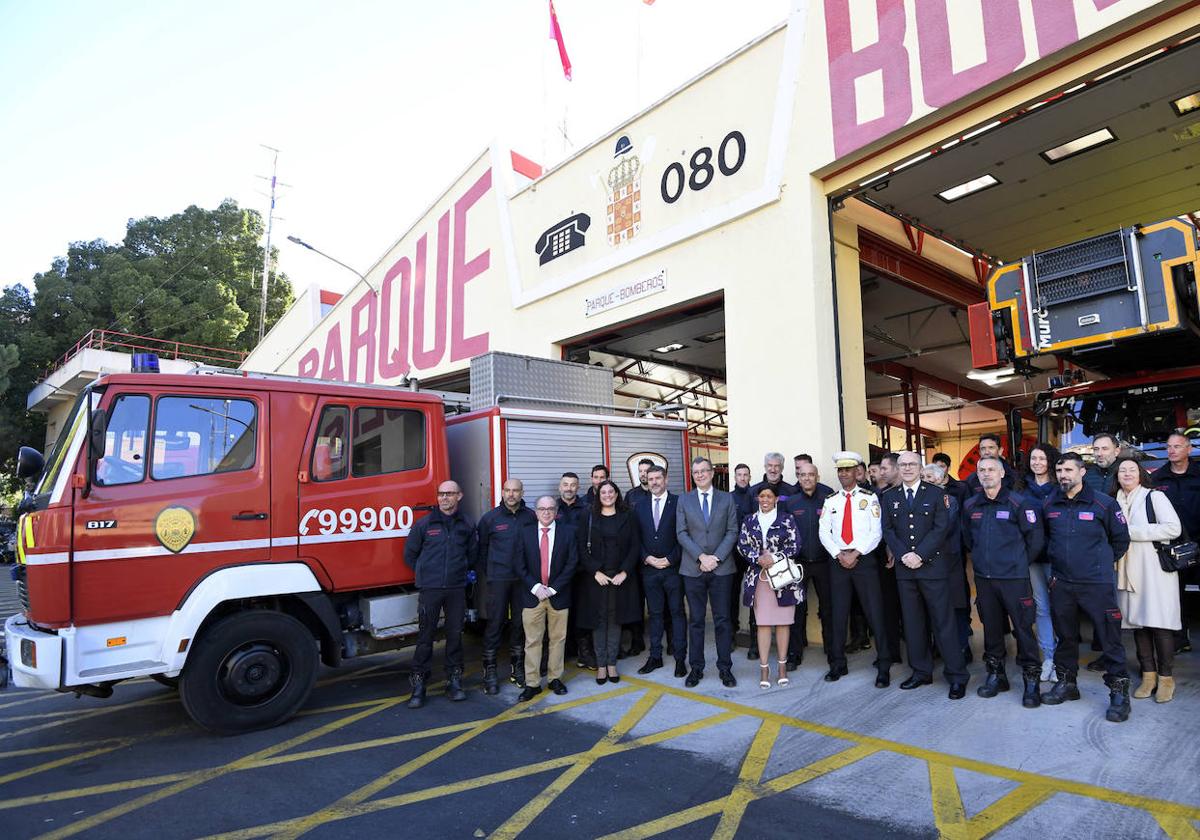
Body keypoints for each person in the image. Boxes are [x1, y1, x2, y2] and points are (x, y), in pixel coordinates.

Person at [1041, 452, 1133, 722]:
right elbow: (1046, 539)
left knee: (1110, 638)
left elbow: (1121, 540)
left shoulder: (1104, 504)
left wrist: (1099, 564)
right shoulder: (1050, 504)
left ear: (1082, 472)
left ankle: (1119, 694)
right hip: (1062, 583)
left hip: (1097, 583)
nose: (1063, 475)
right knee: (1065, 637)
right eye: (1059, 471)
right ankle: (1068, 684)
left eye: (1069, 470)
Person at [882, 452, 969, 698]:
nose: (907, 468)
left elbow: (941, 529)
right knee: (913, 623)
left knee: (944, 623)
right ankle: (921, 672)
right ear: (898, 469)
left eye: (912, 464)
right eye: (903, 465)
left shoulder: (937, 494)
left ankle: (957, 676)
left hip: (932, 568)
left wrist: (919, 554)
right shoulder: (889, 497)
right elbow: (887, 530)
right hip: (905, 571)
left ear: (920, 468)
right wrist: (903, 555)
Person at [961, 457, 1045, 707]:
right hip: (985, 580)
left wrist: (1017, 563)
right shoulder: (970, 505)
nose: (986, 474)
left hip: (1014, 579)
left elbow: (1036, 540)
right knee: (992, 630)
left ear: (1001, 474)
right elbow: (968, 539)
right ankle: (996, 675)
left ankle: (1032, 681)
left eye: (991, 470)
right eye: (982, 470)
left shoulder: (1019, 503)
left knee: (1023, 629)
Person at [818, 451, 893, 687]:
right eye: (840, 470)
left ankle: (883, 666)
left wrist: (856, 553)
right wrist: (839, 554)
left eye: (848, 470)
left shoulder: (869, 498)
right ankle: (838, 664)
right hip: (838, 561)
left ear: (856, 472)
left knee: (875, 614)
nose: (843, 474)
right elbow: (824, 532)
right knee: (838, 615)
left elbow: (876, 531)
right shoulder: (831, 500)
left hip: (864, 560)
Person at [1113, 457, 1183, 703]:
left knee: (1159, 624)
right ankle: (1148, 675)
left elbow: (1173, 528)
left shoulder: (1155, 497)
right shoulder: (1114, 502)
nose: (1127, 474)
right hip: (1127, 571)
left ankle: (1166, 679)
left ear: (1141, 474)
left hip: (1155, 571)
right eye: (1122, 470)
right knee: (1137, 625)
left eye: (1132, 469)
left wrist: (1131, 532)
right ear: (1117, 476)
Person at [403, 480, 478, 708]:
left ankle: (454, 682)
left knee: (455, 637)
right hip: (431, 589)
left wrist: (461, 572)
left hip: (456, 589)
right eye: (441, 494)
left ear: (459, 496)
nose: (445, 498)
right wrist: (427, 576)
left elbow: (472, 555)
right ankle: (418, 685)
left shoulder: (466, 524)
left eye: (450, 494)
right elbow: (410, 555)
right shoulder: (424, 525)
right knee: (425, 638)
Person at [677, 456, 740, 688]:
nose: (700, 475)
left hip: (721, 569)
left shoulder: (727, 499)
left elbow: (733, 530)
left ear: (713, 473)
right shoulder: (684, 500)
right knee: (696, 621)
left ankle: (725, 668)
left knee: (723, 621)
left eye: (704, 471)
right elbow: (681, 532)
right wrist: (701, 557)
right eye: (696, 472)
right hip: (692, 569)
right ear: (693, 475)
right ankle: (696, 668)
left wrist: (716, 558)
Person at [738, 484, 802, 688]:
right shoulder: (749, 520)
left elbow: (795, 545)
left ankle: (782, 667)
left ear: (776, 499)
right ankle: (764, 668)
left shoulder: (787, 519)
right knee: (763, 624)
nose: (765, 499)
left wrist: (773, 557)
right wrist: (758, 558)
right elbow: (742, 545)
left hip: (783, 580)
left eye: (769, 496)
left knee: (783, 623)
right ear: (758, 499)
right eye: (762, 496)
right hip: (759, 579)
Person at [477, 478, 537, 694]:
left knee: (520, 624)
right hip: (499, 579)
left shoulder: (531, 516)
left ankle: (518, 667)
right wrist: (492, 572)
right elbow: (482, 551)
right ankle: (490, 671)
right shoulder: (489, 519)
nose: (511, 494)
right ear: (502, 492)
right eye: (507, 490)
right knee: (495, 624)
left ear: (522, 493)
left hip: (523, 581)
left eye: (515, 490)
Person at [578, 480, 640, 684]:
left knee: (615, 621)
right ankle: (601, 665)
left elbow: (634, 546)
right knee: (599, 621)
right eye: (603, 492)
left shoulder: (628, 515)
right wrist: (594, 571)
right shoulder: (588, 516)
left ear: (616, 494)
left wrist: (625, 571)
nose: (607, 495)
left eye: (610, 491)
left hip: (619, 578)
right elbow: (581, 548)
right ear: (598, 495)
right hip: (596, 578)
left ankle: (612, 663)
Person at [517, 496, 579, 701]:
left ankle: (555, 679)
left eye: (550, 509)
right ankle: (532, 683)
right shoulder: (524, 532)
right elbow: (518, 564)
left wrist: (552, 589)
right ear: (535, 512)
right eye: (542, 509)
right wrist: (536, 588)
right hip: (532, 595)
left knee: (558, 639)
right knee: (532, 641)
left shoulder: (568, 532)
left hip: (557, 595)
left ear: (556, 512)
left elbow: (572, 564)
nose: (546, 512)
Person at [634, 464, 687, 678]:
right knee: (654, 614)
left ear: (665, 480)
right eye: (650, 478)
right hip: (650, 570)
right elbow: (635, 538)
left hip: (673, 570)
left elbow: (685, 534)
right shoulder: (639, 505)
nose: (654, 482)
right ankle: (654, 656)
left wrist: (669, 559)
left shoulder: (679, 503)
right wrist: (647, 558)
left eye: (658, 478)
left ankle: (680, 659)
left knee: (677, 613)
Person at [1150, 432, 1199, 654]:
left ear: (1189, 449)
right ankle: (1180, 639)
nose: (1171, 450)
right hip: (1172, 548)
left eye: (1177, 446)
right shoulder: (1157, 478)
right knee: (1174, 596)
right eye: (1168, 446)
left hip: (1199, 542)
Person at [785, 461, 835, 670]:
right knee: (797, 610)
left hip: (825, 564)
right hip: (799, 565)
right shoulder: (791, 502)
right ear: (799, 477)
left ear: (817, 476)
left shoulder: (829, 498)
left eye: (811, 475)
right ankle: (795, 653)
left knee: (829, 610)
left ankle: (833, 652)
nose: (807, 478)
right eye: (803, 475)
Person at [923, 462, 972, 664]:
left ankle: (962, 647)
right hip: (926, 564)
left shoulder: (950, 502)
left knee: (956, 607)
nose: (926, 482)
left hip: (949, 561)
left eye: (930, 478)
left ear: (943, 480)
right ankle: (938, 647)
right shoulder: (917, 503)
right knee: (934, 608)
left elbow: (941, 530)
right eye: (923, 478)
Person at [1021, 442, 1061, 681]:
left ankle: (1063, 660)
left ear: (1051, 461)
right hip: (1033, 558)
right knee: (1042, 608)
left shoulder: (1061, 486)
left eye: (1042, 459)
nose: (1037, 463)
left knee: (1061, 608)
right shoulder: (1021, 488)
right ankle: (1049, 657)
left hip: (1058, 557)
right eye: (1034, 459)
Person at [556, 472, 594, 670]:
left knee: (582, 611)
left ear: (578, 488)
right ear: (559, 487)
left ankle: (584, 652)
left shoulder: (587, 509)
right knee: (558, 611)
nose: (569, 488)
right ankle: (558, 653)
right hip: (558, 572)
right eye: (565, 484)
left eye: (573, 485)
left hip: (581, 570)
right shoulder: (552, 509)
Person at [730, 462, 755, 645]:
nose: (743, 478)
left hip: (753, 554)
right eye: (739, 474)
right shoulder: (727, 499)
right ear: (735, 477)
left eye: (746, 474)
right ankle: (732, 632)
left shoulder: (756, 497)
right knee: (732, 594)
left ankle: (755, 637)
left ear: (750, 477)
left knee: (755, 593)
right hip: (733, 554)